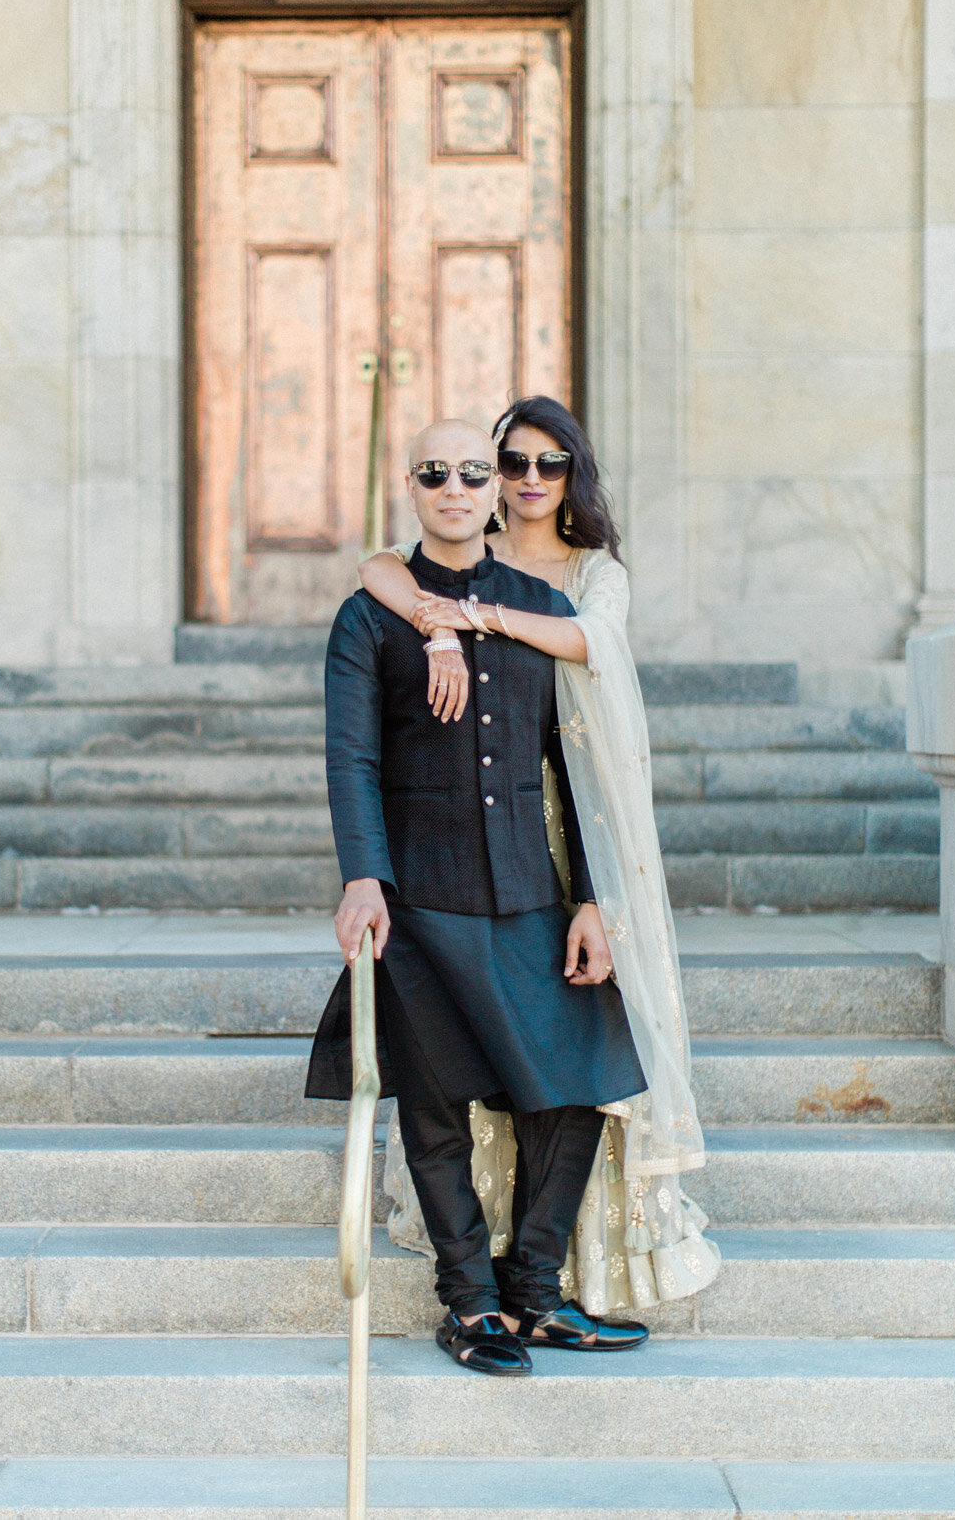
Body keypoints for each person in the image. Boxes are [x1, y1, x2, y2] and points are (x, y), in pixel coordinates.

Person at [358, 395, 721, 1325]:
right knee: (464, 1069)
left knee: (580, 1053)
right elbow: (379, 574)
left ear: (572, 475)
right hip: (462, 840)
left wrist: (472, 616)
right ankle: (483, 1289)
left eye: (544, 465)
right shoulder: (452, 554)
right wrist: (437, 622)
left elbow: (583, 643)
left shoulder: (583, 577)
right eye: (504, 462)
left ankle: (557, 1276)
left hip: (569, 821)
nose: (521, 481)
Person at [305, 416, 653, 1377]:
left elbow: (567, 764)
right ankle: (468, 1304)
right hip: (422, 893)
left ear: (492, 488)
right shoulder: (367, 617)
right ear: (410, 488)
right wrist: (363, 877)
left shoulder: (534, 602)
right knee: (433, 1106)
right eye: (435, 473)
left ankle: (534, 1293)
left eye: (471, 472)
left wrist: (589, 897)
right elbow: (352, 756)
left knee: (579, 1083)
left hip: (532, 891)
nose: (455, 489)